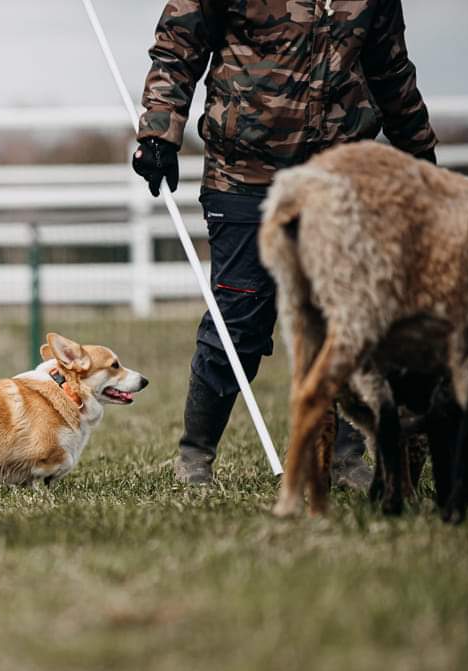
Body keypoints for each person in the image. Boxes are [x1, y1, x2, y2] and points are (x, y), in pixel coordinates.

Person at [132, 0, 437, 486]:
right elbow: (178, 43)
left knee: (340, 317)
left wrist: (422, 158)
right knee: (240, 317)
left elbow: (391, 70)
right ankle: (196, 454)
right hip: (245, 175)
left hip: (337, 176)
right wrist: (158, 133)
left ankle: (341, 453)